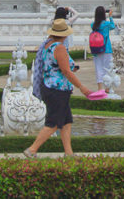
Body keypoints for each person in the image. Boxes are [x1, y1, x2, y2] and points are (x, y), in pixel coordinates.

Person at [23, 19, 95, 158]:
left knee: (66, 121)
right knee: (54, 122)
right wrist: (82, 87)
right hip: (57, 89)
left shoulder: (46, 45)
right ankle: (32, 150)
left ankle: (69, 153)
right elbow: (66, 71)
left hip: (48, 86)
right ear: (64, 34)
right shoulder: (59, 47)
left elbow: (55, 65)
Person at [90, 6, 116, 92]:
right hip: (106, 48)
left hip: (96, 49)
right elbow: (113, 26)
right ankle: (107, 87)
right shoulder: (106, 24)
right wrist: (110, 16)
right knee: (107, 68)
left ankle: (100, 87)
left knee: (98, 68)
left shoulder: (93, 25)